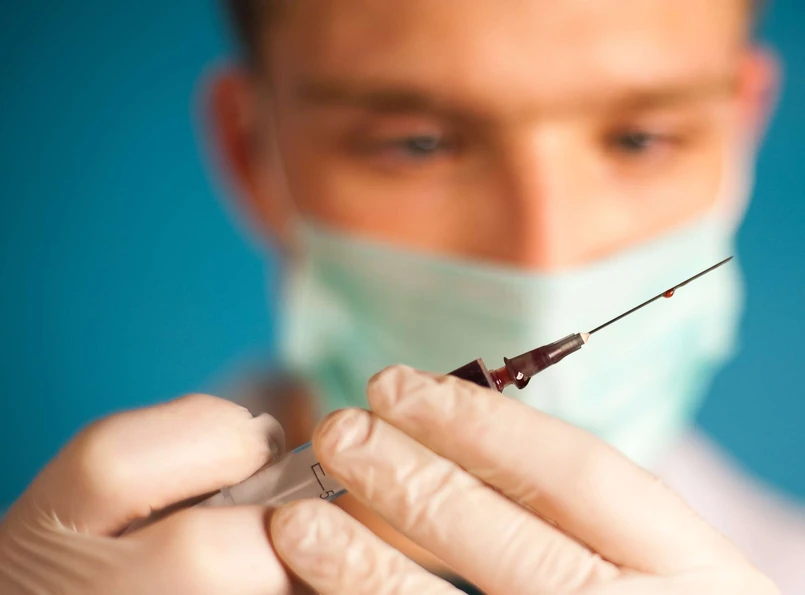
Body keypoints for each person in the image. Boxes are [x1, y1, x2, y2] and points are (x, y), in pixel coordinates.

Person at [0, 0, 802, 592]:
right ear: (253, 153)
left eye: (639, 138)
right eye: (418, 144)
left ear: (740, 133)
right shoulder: (82, 568)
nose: (543, 260)